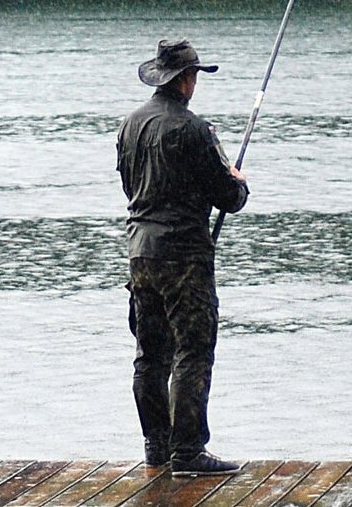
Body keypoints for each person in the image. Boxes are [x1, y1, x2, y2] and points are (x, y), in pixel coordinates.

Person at [116, 38, 250, 477]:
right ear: (186, 80)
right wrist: (237, 181)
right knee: (193, 349)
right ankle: (188, 451)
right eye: (195, 75)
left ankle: (157, 445)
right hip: (184, 257)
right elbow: (228, 197)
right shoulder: (194, 130)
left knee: (150, 353)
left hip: (140, 252)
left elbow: (130, 189)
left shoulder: (129, 125)